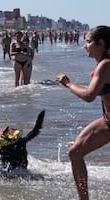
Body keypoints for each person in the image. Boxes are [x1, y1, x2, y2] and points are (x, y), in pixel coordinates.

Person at [55, 26, 110, 200]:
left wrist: (68, 84)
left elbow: (89, 96)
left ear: (100, 43)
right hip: (108, 121)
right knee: (75, 152)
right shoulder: (104, 63)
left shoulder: (106, 65)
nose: (84, 46)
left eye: (87, 41)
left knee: (75, 152)